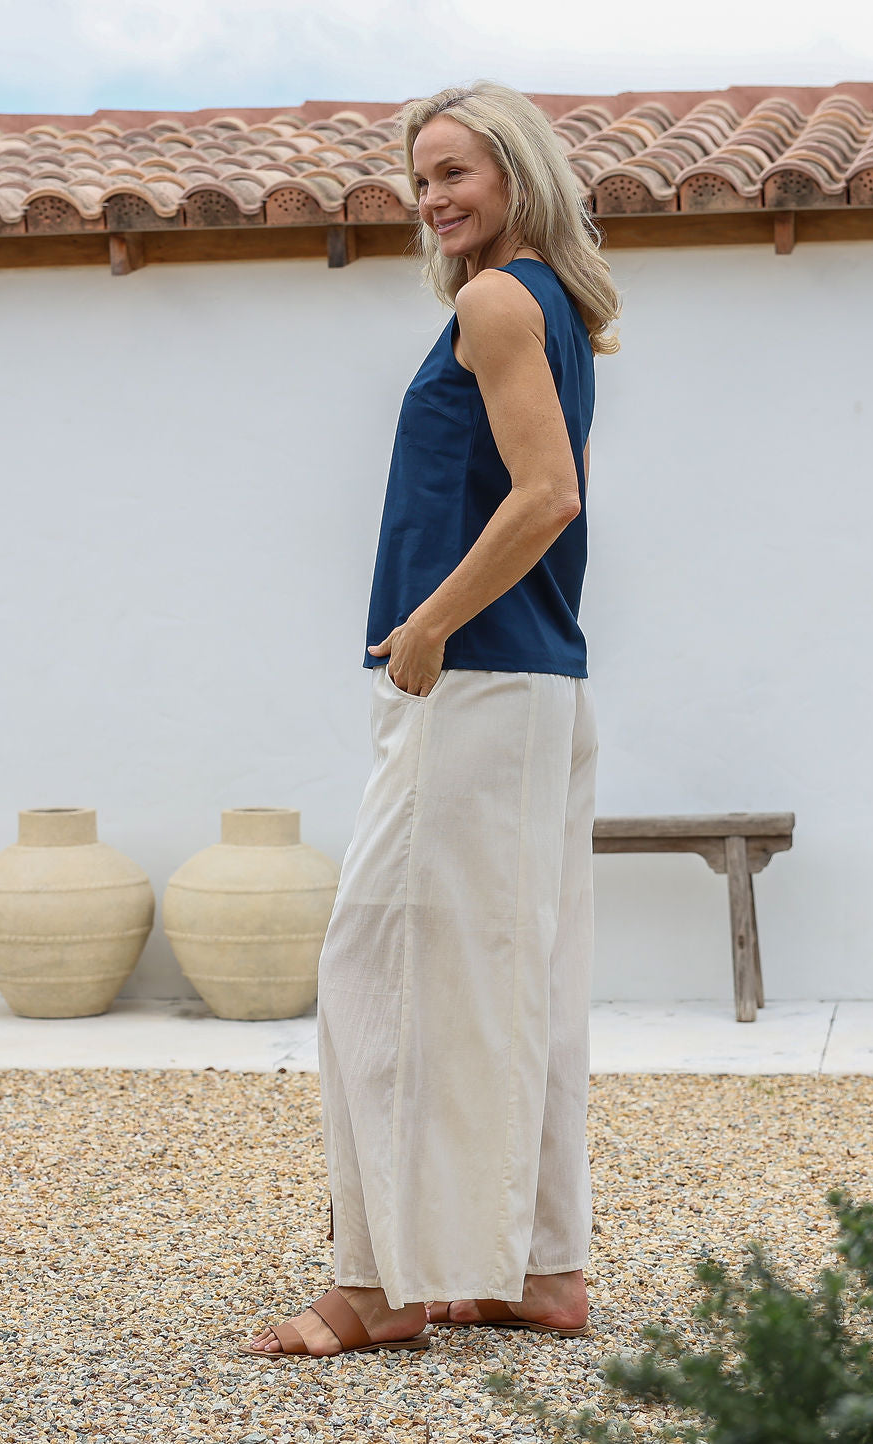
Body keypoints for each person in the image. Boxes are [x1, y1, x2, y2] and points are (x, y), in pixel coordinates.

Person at [242, 78, 621, 1361]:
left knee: (377, 975)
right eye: (421, 178)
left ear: (515, 171)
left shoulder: (498, 299)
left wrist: (425, 626)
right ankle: (539, 1267)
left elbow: (543, 496)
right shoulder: (546, 304)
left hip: (473, 683)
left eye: (456, 170)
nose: (433, 196)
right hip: (532, 688)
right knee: (522, 979)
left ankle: (379, 1286)